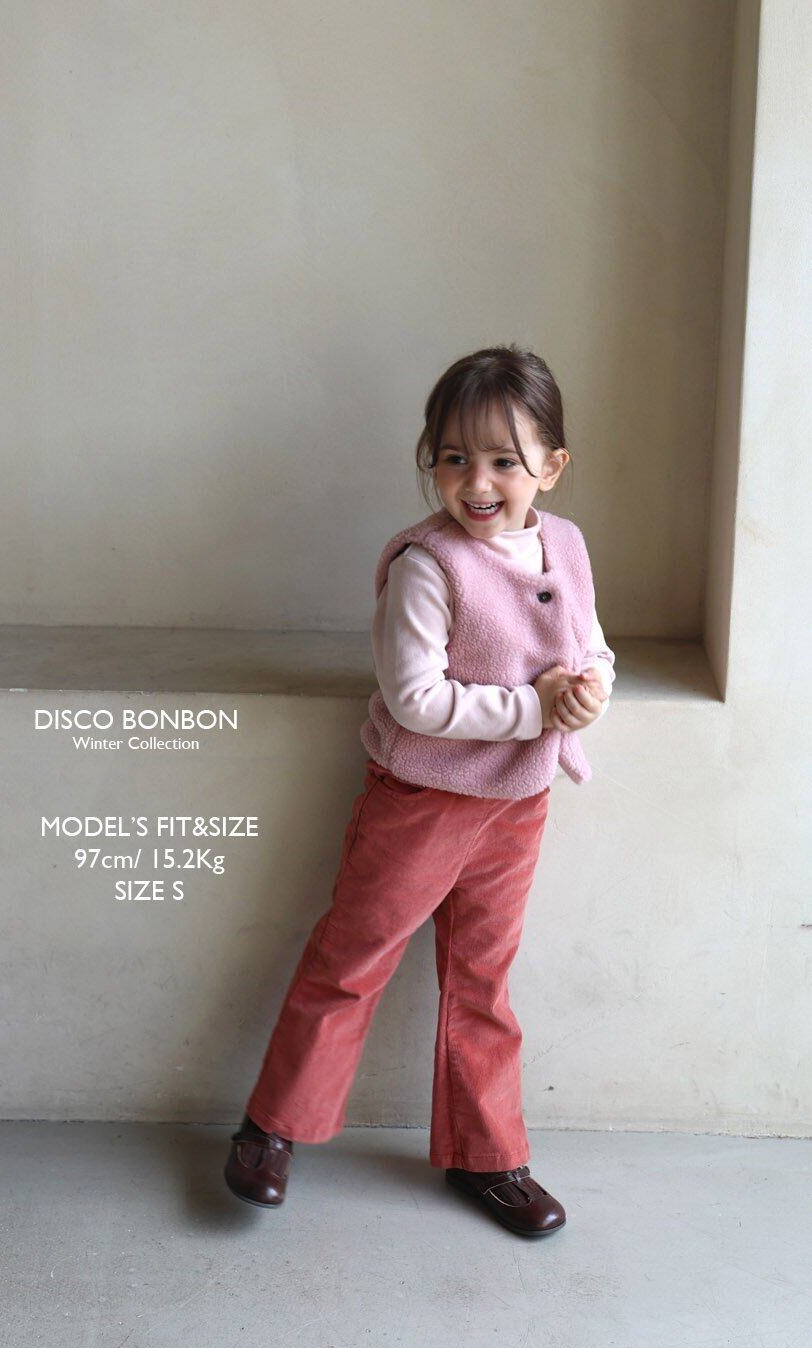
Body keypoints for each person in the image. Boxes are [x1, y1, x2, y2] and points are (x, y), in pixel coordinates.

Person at [225, 344, 615, 1237]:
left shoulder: (565, 545)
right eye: (454, 458)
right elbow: (416, 699)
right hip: (423, 801)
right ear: (429, 461)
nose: (477, 482)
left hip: (517, 802)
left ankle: (488, 1156)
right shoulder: (427, 564)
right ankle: (271, 1127)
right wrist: (536, 707)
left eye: (504, 461)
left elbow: (589, 642)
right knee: (353, 958)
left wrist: (592, 687)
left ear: (551, 466)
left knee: (484, 978)